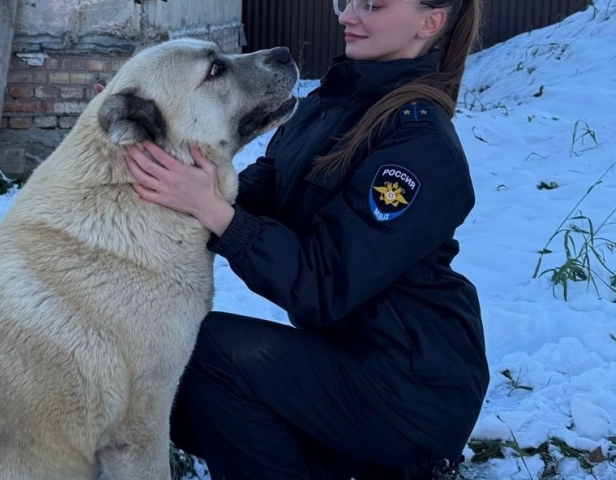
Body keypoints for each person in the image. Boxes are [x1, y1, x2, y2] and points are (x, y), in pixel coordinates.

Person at [124, 0, 490, 478]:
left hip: (411, 388)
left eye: (372, 5)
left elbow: (325, 284)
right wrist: (171, 167)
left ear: (430, 22)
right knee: (164, 375)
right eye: (347, 1)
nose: (346, 16)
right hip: (347, 358)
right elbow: (257, 190)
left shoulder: (419, 145)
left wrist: (214, 211)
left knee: (207, 352)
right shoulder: (329, 104)